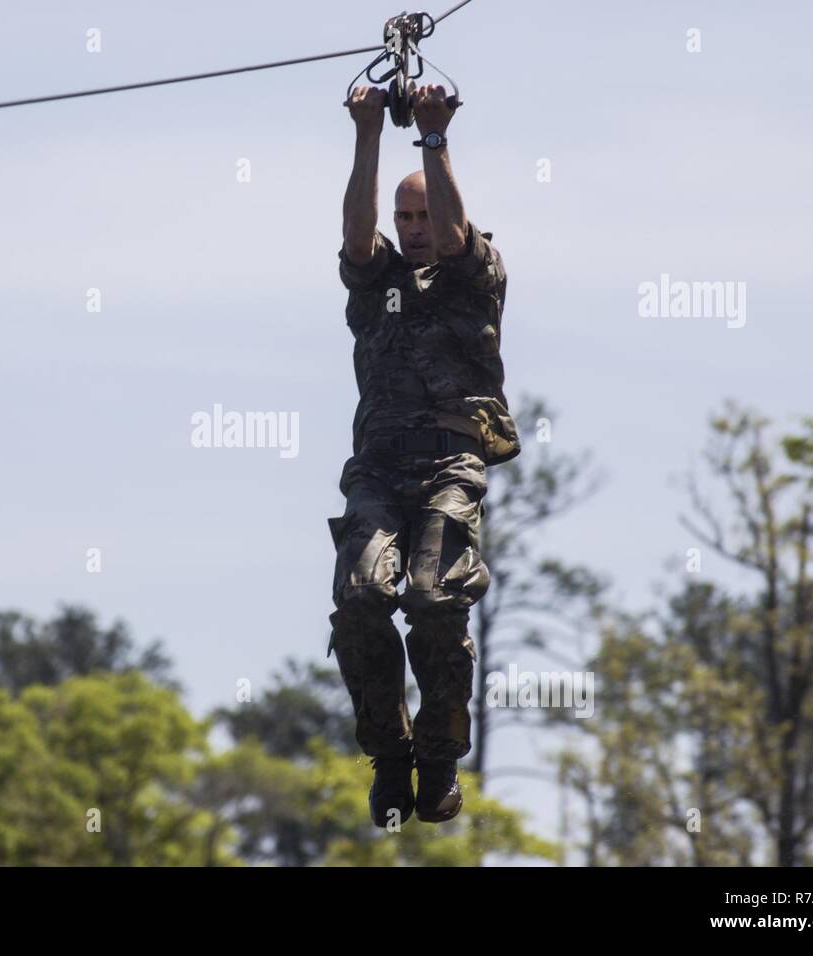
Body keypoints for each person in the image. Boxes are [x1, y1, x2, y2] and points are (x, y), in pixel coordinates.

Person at [329, 82, 521, 827]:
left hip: (448, 463)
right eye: (402, 217)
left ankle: (439, 757)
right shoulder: (375, 281)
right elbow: (355, 235)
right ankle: (390, 756)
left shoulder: (475, 277)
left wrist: (434, 137)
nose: (411, 229)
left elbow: (453, 232)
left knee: (435, 599)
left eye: (420, 215)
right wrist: (369, 132)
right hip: (378, 467)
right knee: (361, 602)